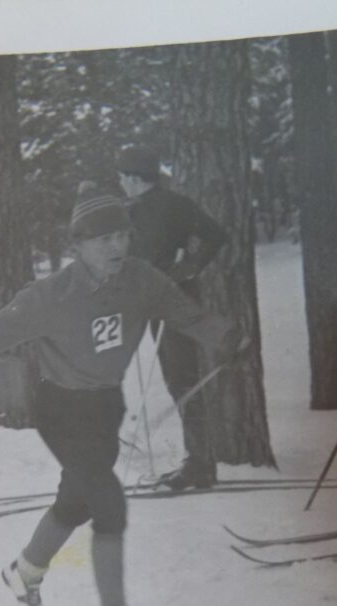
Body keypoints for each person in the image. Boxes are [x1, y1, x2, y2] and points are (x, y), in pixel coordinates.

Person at [0, 182, 238, 606]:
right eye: (104, 239)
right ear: (79, 245)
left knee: (74, 503)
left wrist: (226, 338)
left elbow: (186, 316)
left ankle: (24, 572)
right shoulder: (50, 296)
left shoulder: (142, 280)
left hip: (106, 407)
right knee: (108, 503)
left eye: (123, 236)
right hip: (61, 410)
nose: (117, 247)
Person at [117, 146, 229, 490]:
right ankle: (198, 462)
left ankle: (200, 465)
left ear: (134, 178)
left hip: (176, 304)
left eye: (122, 177)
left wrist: (188, 269)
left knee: (182, 379)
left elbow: (216, 235)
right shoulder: (131, 210)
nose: (120, 183)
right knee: (177, 378)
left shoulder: (172, 204)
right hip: (150, 303)